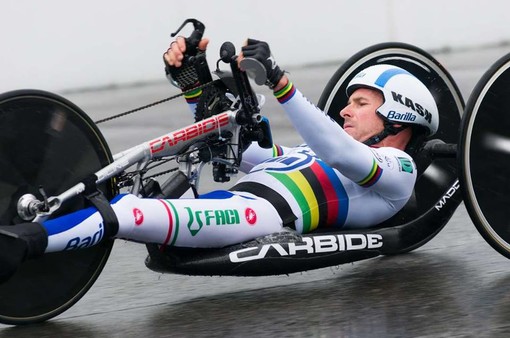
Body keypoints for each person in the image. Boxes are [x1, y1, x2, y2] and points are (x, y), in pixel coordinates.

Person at [0, 36, 439, 280]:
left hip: (255, 216)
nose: (344, 109)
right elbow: (245, 152)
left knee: (127, 210)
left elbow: (337, 149)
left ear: (400, 116)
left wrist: (282, 84)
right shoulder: (311, 153)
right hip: (235, 206)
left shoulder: (397, 172)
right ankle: (36, 220)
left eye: (361, 103)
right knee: (119, 182)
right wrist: (196, 87)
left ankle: (22, 244)